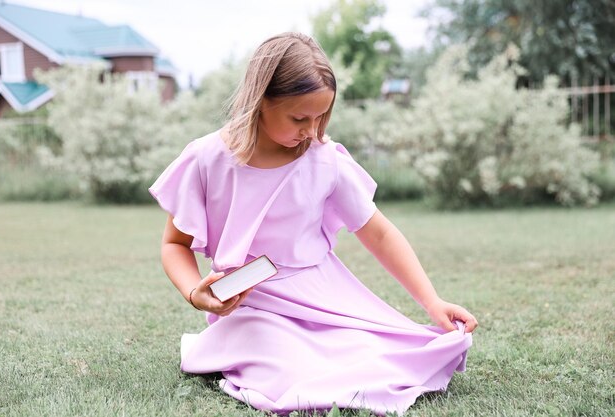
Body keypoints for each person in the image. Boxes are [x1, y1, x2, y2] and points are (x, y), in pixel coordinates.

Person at [149, 32, 477, 416]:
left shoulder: (326, 161)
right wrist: (194, 292)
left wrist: (432, 301)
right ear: (260, 100)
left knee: (375, 355)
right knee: (291, 371)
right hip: (255, 303)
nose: (312, 129)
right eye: (300, 118)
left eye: (322, 116)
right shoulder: (207, 159)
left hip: (326, 295)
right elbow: (175, 244)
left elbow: (379, 232)